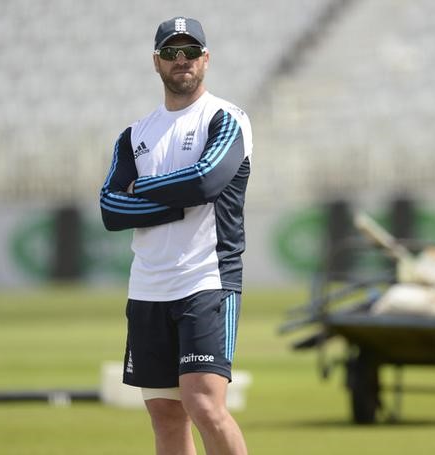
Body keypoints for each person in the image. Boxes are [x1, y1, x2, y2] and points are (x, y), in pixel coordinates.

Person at [99, 16, 251, 455]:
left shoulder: (226, 118)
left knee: (204, 404)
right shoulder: (134, 135)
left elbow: (206, 181)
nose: (180, 60)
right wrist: (177, 199)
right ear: (156, 62)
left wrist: (142, 190)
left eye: (190, 51)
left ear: (206, 58)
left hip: (206, 279)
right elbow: (110, 208)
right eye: (170, 52)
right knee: (165, 417)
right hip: (148, 285)